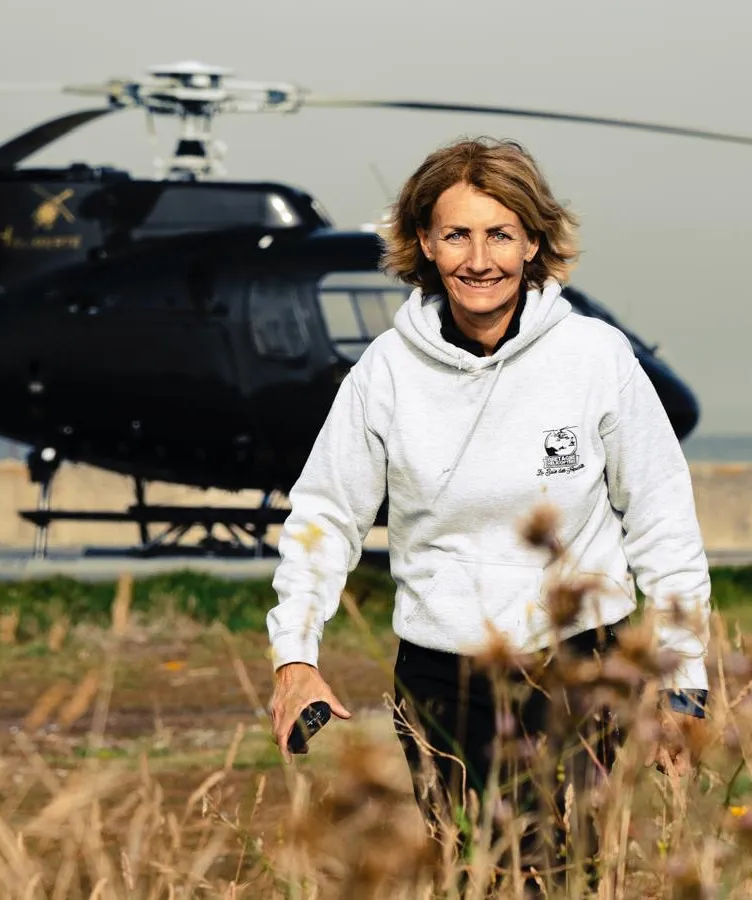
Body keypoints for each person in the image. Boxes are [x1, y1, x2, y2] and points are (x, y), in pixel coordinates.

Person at [265, 137, 711, 886]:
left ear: (533, 241)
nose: (479, 258)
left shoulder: (596, 357)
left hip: (578, 666)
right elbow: (324, 517)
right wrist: (295, 656)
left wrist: (684, 678)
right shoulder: (385, 372)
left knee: (564, 873)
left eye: (500, 233)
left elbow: (662, 519)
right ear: (426, 245)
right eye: (456, 234)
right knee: (471, 876)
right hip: (442, 679)